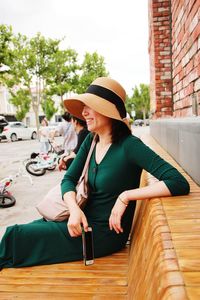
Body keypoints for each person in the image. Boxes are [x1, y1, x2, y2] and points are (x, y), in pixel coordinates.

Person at [0, 77, 190, 269]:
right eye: (84, 106)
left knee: (16, 236)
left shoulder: (130, 146)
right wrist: (74, 209)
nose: (84, 112)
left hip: (101, 234)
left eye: (90, 106)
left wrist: (126, 196)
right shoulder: (92, 141)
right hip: (79, 221)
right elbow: (69, 179)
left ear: (109, 111)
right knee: (25, 231)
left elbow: (178, 182)